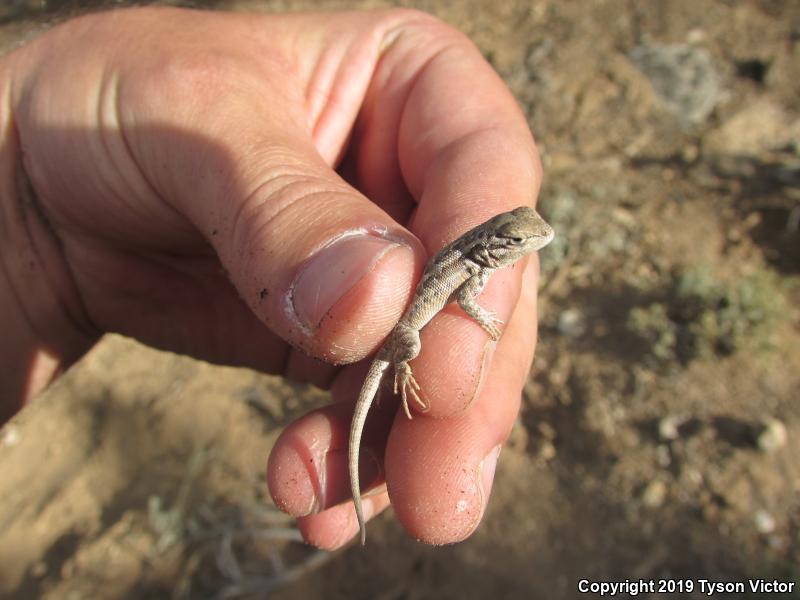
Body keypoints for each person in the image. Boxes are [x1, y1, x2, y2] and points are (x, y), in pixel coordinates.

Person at [0, 6, 544, 549]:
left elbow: (469, 296)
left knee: (418, 401)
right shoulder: (471, 264)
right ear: (499, 242)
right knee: (417, 351)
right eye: (522, 240)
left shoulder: (471, 261)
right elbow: (467, 302)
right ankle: (402, 372)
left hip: (398, 314)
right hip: (400, 332)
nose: (533, 242)